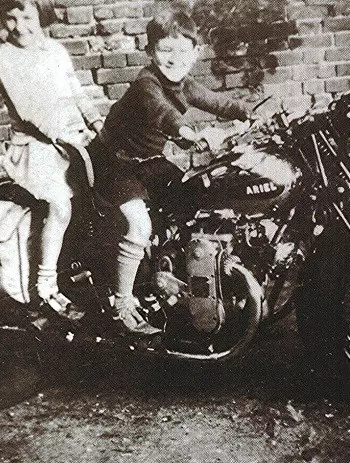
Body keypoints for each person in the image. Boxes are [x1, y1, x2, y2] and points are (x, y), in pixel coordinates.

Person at [92, 8, 252, 336]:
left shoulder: (185, 84)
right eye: (165, 50)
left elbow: (215, 101)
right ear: (150, 52)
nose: (174, 58)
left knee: (194, 200)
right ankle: (123, 304)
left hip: (148, 162)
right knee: (138, 225)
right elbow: (164, 115)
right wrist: (189, 133)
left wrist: (246, 113)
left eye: (182, 50)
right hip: (114, 163)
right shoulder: (146, 84)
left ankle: (173, 278)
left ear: (196, 53)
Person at [0, 0, 103, 317]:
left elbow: (75, 91)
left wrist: (97, 124)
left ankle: (83, 272)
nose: (20, 27)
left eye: (27, 17)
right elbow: (28, 111)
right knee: (60, 206)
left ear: (40, 16)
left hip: (68, 142)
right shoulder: (6, 57)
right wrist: (64, 136)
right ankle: (46, 287)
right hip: (35, 147)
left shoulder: (55, 51)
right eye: (11, 18)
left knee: (98, 197)